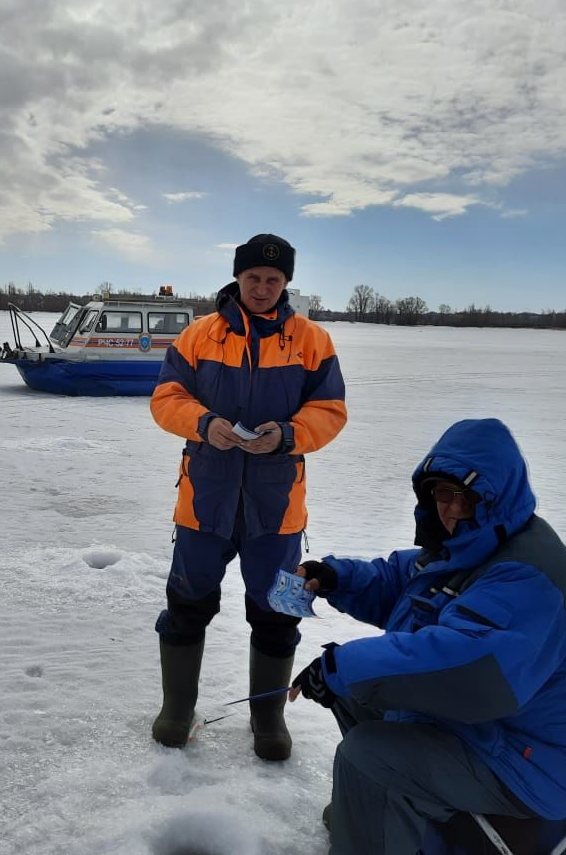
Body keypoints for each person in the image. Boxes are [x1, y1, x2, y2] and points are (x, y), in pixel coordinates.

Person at [289, 418, 566, 854]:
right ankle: (376, 814)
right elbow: (403, 581)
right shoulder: (473, 547)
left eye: (466, 497)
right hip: (487, 731)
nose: (452, 509)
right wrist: (335, 578)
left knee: (366, 755)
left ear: (496, 497)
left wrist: (345, 665)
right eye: (442, 494)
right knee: (353, 694)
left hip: (531, 759)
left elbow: (468, 667)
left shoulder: (529, 574)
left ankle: (373, 824)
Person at [149, 233, 348, 760]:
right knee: (186, 603)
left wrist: (286, 434)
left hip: (277, 508)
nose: (262, 288)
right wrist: (203, 422)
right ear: (238, 278)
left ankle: (268, 717)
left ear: (286, 284)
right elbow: (167, 398)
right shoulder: (198, 336)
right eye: (254, 278)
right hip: (203, 502)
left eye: (273, 280)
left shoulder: (312, 341)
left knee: (280, 611)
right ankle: (177, 708)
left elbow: (330, 411)